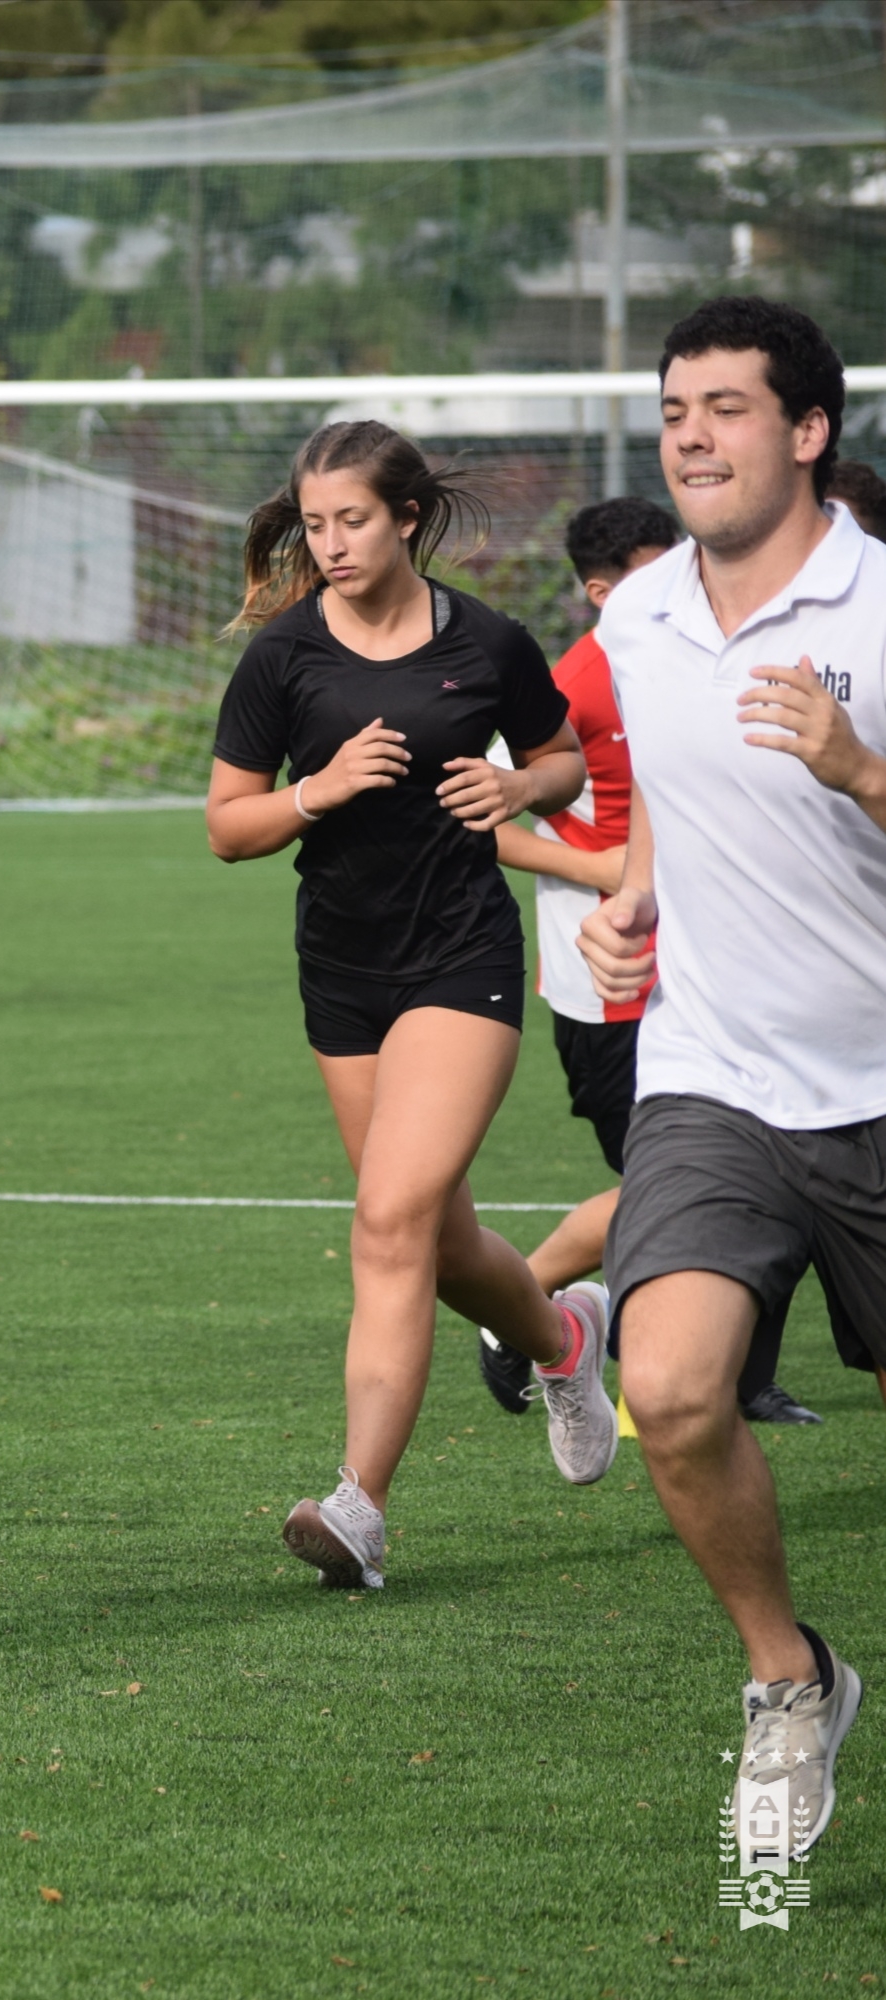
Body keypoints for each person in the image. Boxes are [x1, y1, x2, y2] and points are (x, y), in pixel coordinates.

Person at [206, 419, 619, 1593]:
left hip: (461, 958)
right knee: (433, 1243)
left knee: (386, 1218)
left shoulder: (485, 639)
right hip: (341, 970)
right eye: (312, 523)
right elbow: (226, 824)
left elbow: (559, 763)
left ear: (402, 517)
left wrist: (513, 782)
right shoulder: (282, 660)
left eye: (349, 520)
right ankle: (561, 1335)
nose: (328, 543)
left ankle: (358, 1508)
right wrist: (315, 793)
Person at [581, 295, 883, 1868]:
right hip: (710, 1079)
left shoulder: (882, 611)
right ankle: (788, 1679)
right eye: (674, 408)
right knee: (675, 1385)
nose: (690, 435)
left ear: (808, 430)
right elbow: (666, 797)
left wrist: (854, 768)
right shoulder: (635, 615)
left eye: (726, 408)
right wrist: (637, 893)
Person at [475, 498, 823, 1425]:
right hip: (609, 981)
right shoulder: (576, 681)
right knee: (671, 1192)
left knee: (752, 1171)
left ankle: (734, 1380)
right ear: (603, 592)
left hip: (712, 962)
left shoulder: (705, 663)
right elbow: (484, 817)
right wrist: (601, 869)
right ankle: (524, 1310)